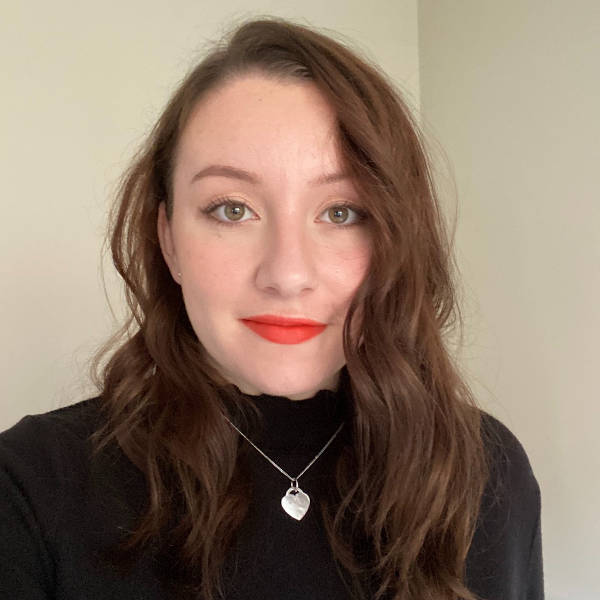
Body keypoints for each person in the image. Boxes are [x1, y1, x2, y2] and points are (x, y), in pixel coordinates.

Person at [0, 17, 543, 600]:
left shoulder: (485, 473)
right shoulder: (29, 488)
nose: (287, 275)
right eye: (232, 209)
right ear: (168, 240)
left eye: (341, 212)